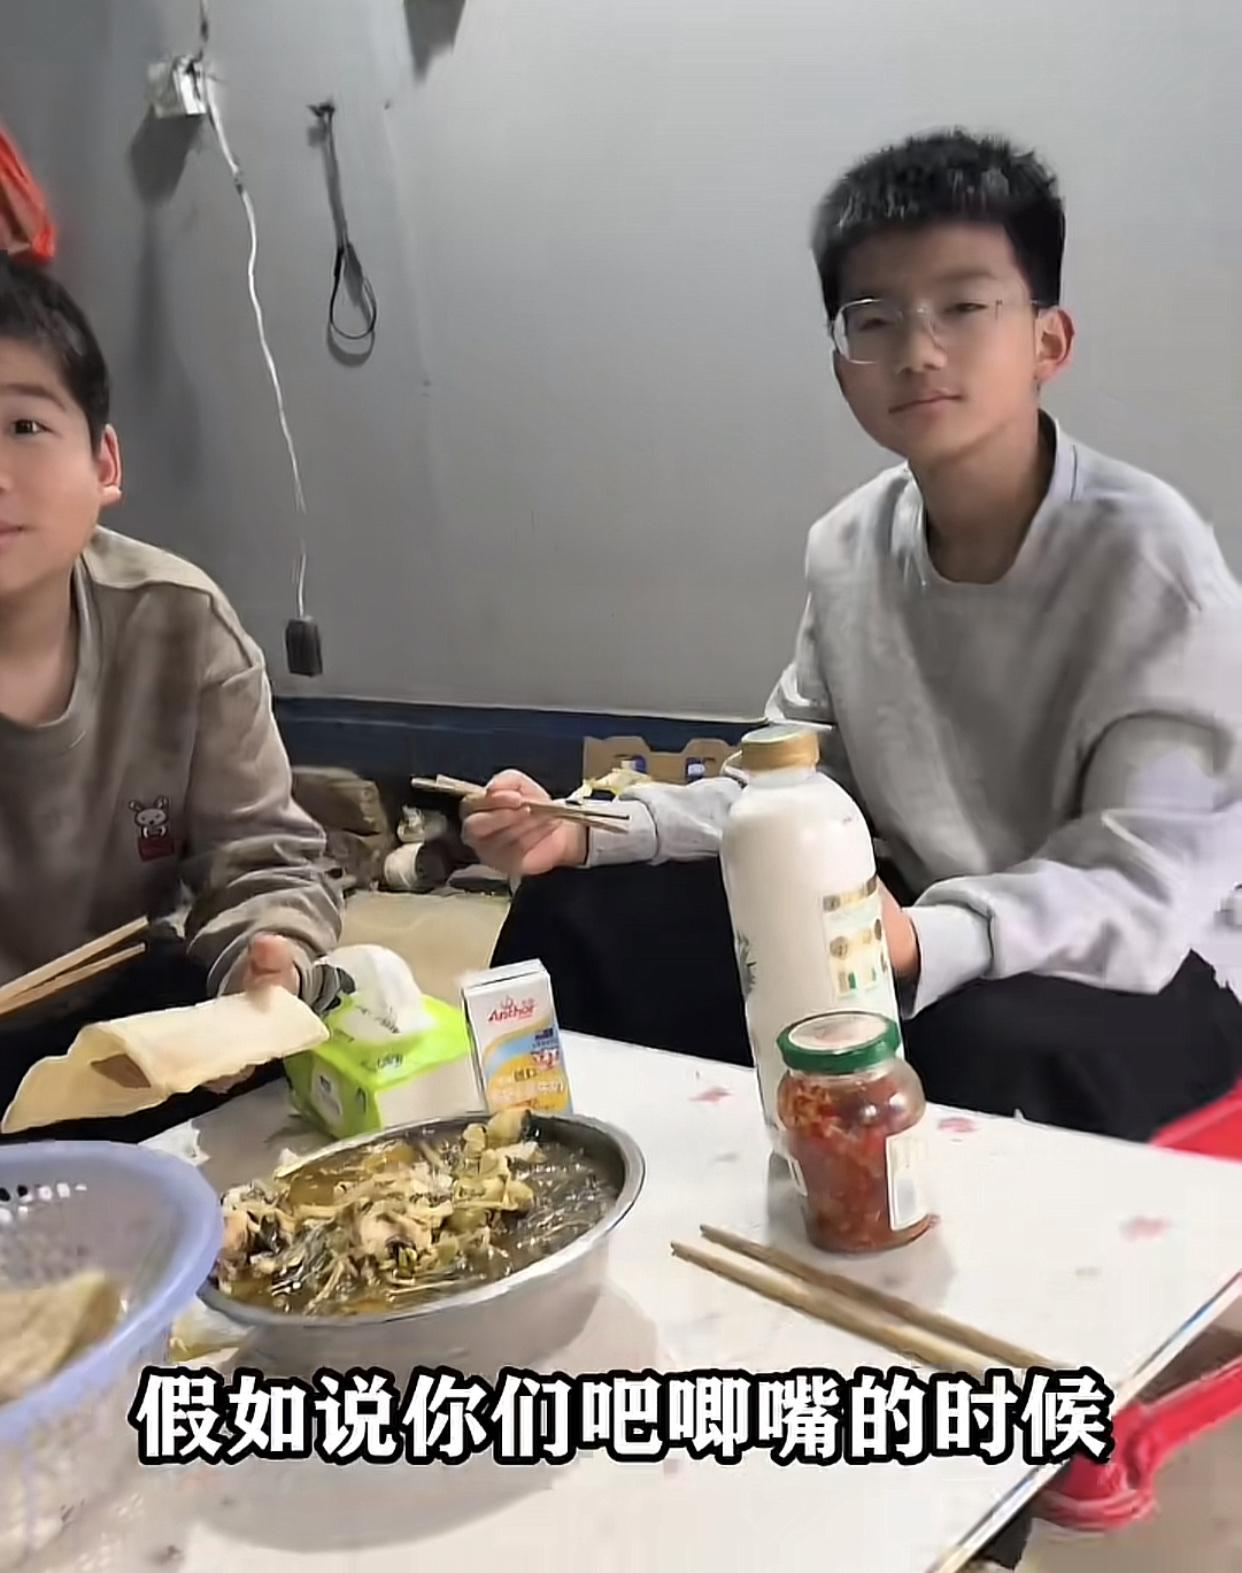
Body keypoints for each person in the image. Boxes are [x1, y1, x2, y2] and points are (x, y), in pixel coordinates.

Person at [464, 128, 1242, 1151]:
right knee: (584, 912)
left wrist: (923, 938)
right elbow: (793, 781)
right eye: (876, 318)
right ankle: (572, 1182)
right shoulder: (848, 546)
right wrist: (597, 828)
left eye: (964, 307)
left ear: (1048, 342)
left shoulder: (1151, 565)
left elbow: (1140, 888)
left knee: (958, 1043)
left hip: (1152, 961)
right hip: (904, 913)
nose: (918, 350)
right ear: (842, 364)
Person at [0, 253, 343, 1141]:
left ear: (104, 462)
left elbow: (264, 857)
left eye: (23, 425)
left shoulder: (181, 624)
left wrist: (270, 958)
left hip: (126, 1024)